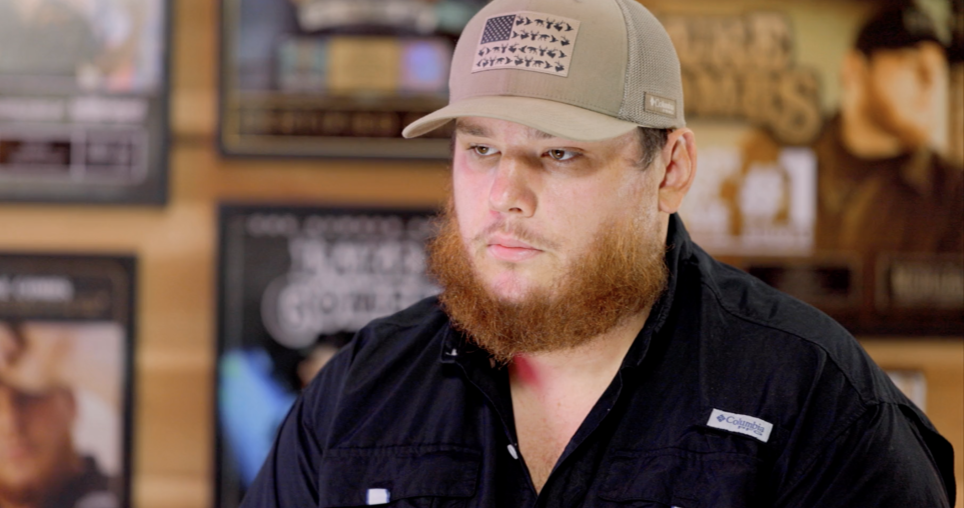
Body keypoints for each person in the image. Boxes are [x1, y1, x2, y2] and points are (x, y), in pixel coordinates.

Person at [240, 0, 957, 506]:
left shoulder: (817, 405)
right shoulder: (360, 396)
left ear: (670, 168)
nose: (504, 195)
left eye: (558, 153)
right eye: (480, 148)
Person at [814, 5, 963, 253]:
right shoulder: (780, 159)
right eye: (910, 62)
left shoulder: (954, 195)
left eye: (938, 67)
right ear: (855, 70)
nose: (930, 81)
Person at [0, 321, 120, 508]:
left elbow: (150, 412)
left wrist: (67, 360)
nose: (10, 422)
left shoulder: (132, 492)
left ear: (71, 402)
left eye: (28, 395)